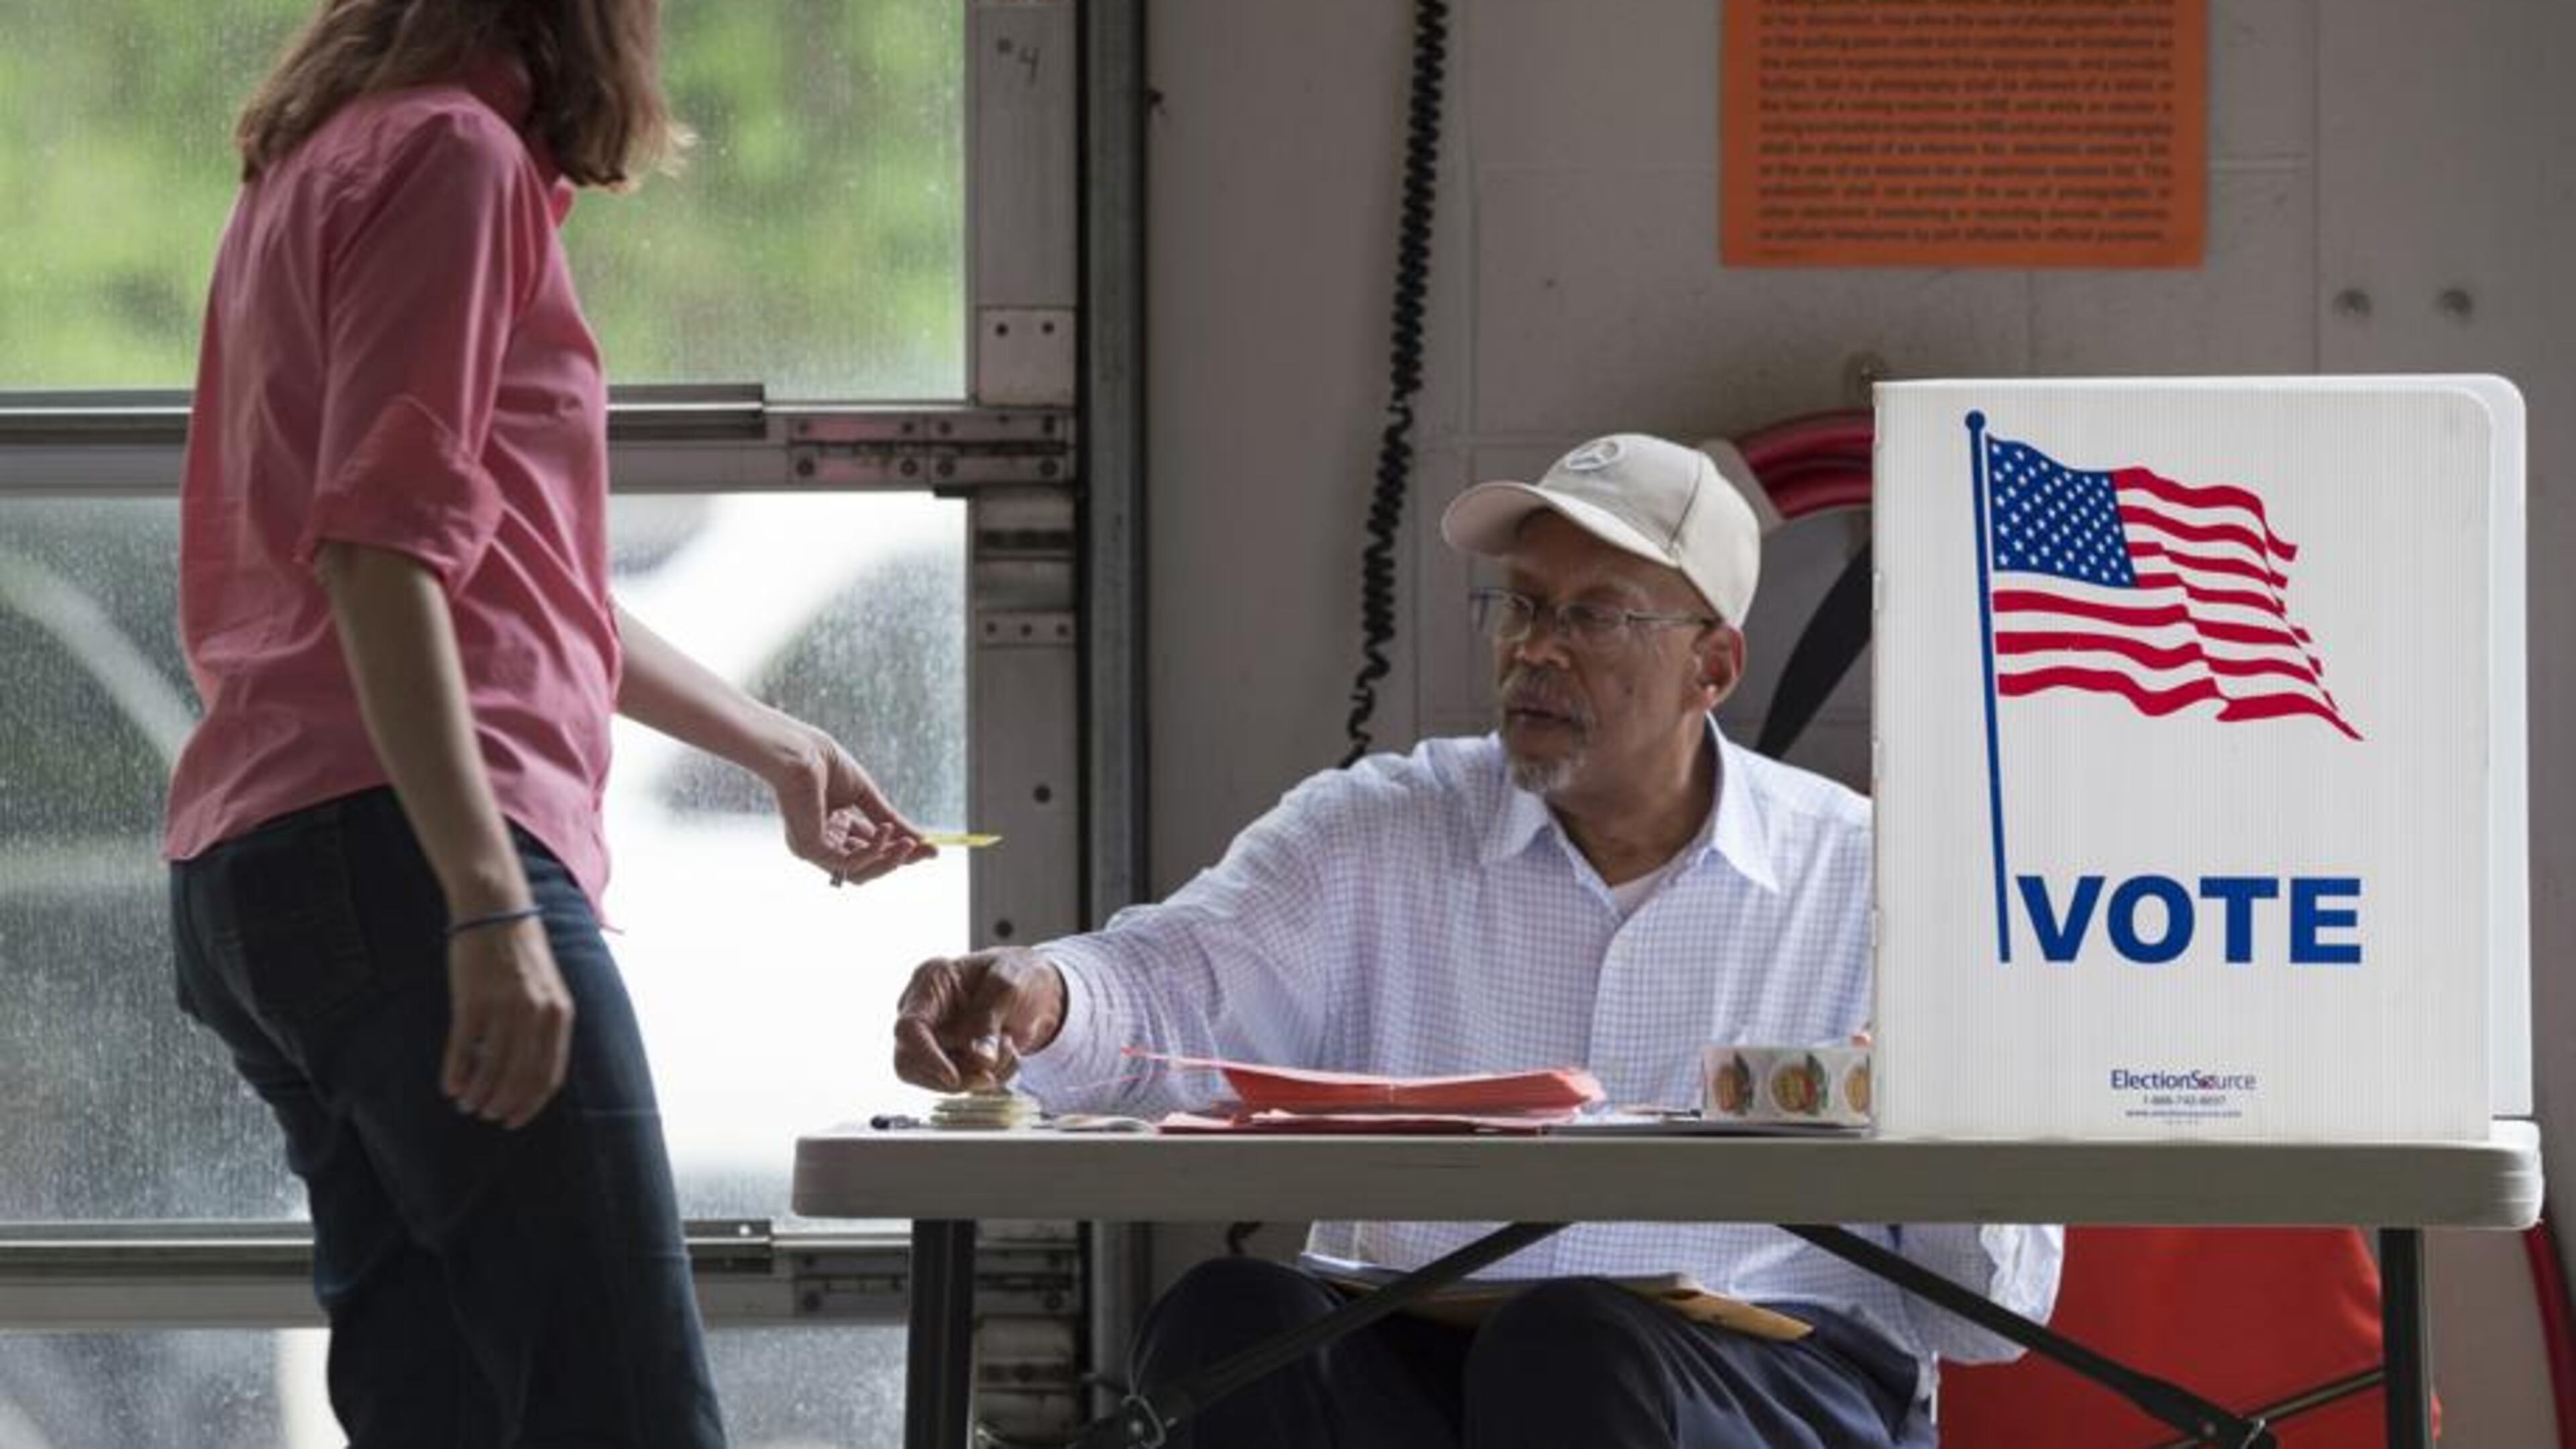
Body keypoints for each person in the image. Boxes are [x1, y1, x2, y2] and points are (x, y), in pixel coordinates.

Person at [894, 433, 2062, 1447]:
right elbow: (1182, 978)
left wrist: (1941, 1116)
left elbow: (1994, 1318)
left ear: (1712, 665)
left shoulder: (1878, 881)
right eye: (1522, 604)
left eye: (1593, 616)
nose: (1535, 649)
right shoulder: (1379, 826)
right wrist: (1046, 994)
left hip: (1766, 1375)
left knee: (1573, 1343)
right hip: (1418, 1348)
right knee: (1227, 1320)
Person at [163, 3, 930, 1444]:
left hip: (266, 860)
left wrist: (772, 741)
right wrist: (487, 901)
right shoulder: (453, 159)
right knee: (626, 1409)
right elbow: (377, 557)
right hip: (398, 859)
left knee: (442, 1410)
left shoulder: (322, 160)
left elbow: (509, 578)